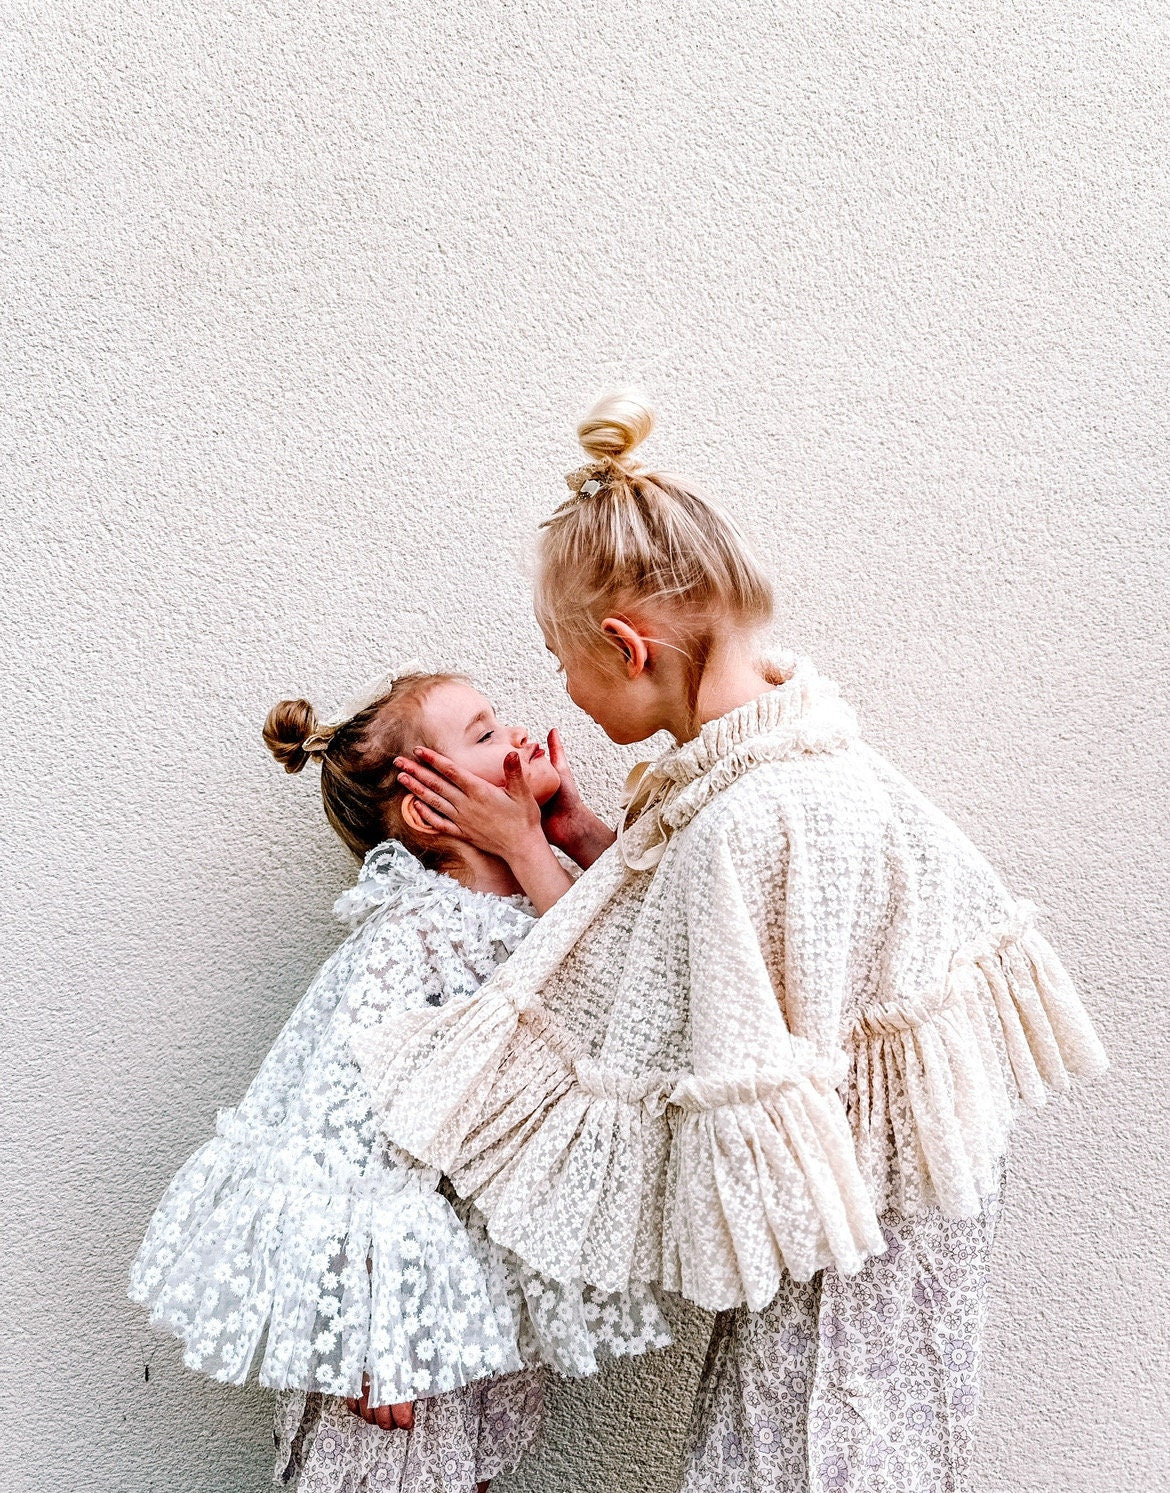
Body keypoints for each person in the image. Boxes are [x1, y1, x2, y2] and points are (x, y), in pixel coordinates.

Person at [355, 395, 1109, 1492]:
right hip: (903, 1228)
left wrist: (525, 853)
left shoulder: (747, 820)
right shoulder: (802, 768)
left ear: (625, 647)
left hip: (853, 1266)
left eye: (561, 660)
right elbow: (705, 939)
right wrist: (581, 839)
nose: (557, 692)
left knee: (796, 1460)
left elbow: (640, 999)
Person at [129, 667, 670, 1493]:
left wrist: (553, 837)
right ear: (429, 809)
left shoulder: (526, 913)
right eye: (485, 734)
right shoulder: (411, 939)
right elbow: (342, 1132)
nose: (517, 735)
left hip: (468, 1312)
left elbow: (607, 989)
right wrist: (370, 1334)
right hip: (400, 1329)